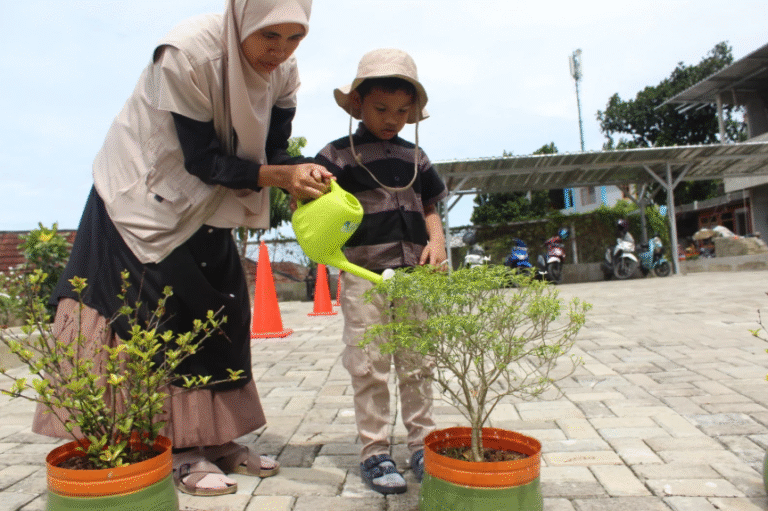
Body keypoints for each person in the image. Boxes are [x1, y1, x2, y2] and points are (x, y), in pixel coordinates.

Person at [32, 0, 333, 497]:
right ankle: (177, 449)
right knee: (163, 315)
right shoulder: (187, 53)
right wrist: (280, 176)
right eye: (268, 36)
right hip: (142, 198)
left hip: (211, 201)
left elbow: (273, 154)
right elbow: (202, 160)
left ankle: (218, 440)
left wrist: (306, 173)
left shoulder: (284, 71)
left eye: (294, 37)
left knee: (224, 312)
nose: (279, 51)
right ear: (241, 19)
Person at [314, 48, 448, 495]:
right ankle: (375, 450)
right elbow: (312, 203)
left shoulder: (417, 157)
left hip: (414, 277)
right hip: (362, 275)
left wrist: (438, 242)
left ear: (413, 112)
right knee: (368, 363)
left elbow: (429, 205)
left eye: (402, 111)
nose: (392, 119)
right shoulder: (337, 155)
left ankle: (422, 445)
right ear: (357, 105)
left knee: (417, 362)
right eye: (381, 109)